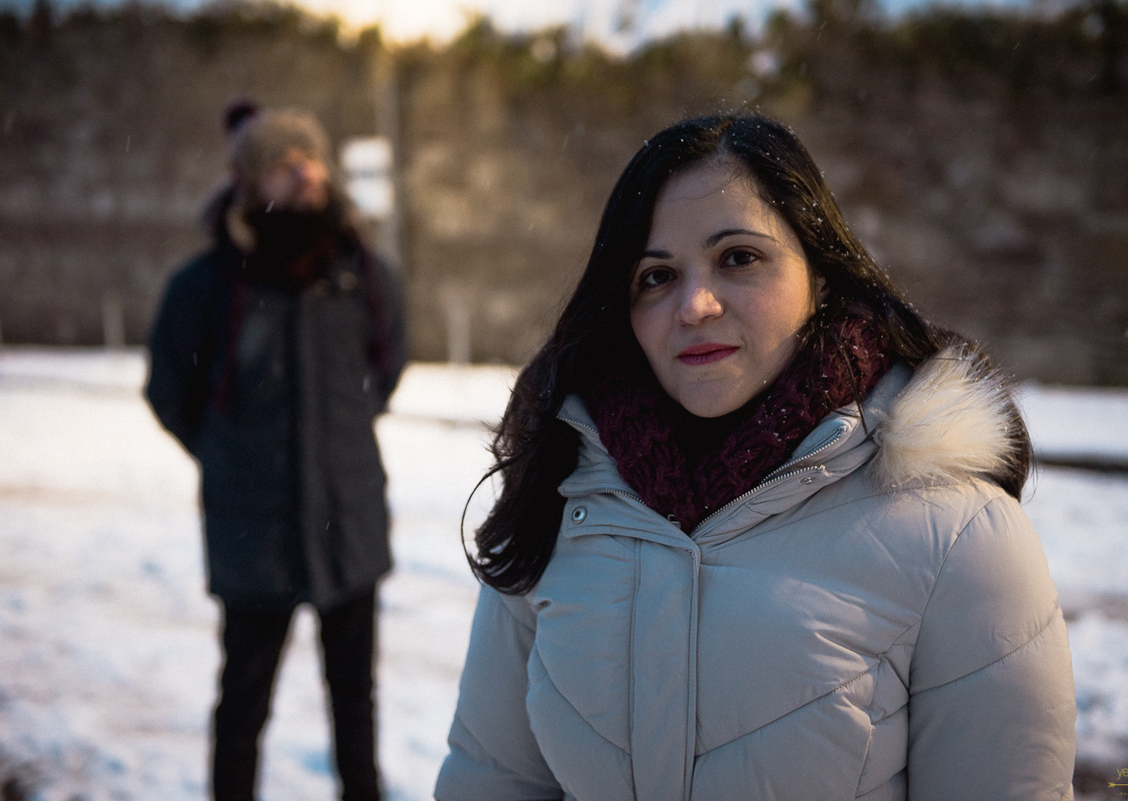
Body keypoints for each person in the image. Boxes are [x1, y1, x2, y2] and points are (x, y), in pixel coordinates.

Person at [434, 114, 1076, 801]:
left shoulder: (957, 532)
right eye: (655, 275)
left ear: (820, 272)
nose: (695, 304)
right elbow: (491, 779)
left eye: (738, 257)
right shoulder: (563, 497)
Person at [145, 107, 407, 801]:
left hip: (348, 526)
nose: (306, 173)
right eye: (284, 163)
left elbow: (382, 376)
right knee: (242, 710)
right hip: (250, 533)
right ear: (246, 180)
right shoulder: (203, 288)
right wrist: (228, 454)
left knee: (356, 704)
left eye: (312, 158)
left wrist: (335, 443)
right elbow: (170, 390)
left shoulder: (365, 277)